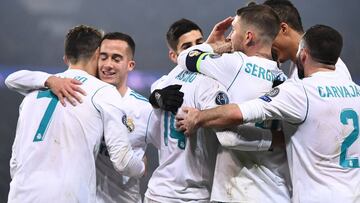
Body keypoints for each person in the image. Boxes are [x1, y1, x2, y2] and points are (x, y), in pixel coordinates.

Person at [177, 24, 360, 203]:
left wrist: (200, 117)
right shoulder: (356, 91)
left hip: (315, 196)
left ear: (303, 55)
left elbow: (240, 112)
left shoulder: (299, 91)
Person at [5, 31, 163, 203]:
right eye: (104, 57)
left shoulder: (32, 93)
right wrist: (142, 166)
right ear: (96, 56)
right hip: (70, 195)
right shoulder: (100, 92)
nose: (108, 64)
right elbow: (123, 161)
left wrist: (49, 79)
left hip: (21, 193)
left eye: (116, 59)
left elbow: (15, 159)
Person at [176, 4, 290, 202]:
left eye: (234, 30)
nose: (230, 36)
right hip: (276, 192)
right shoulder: (286, 81)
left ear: (248, 37)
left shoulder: (235, 64)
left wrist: (219, 45)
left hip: (237, 192)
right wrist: (279, 139)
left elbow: (186, 56)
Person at [144, 18, 228, 203]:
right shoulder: (209, 84)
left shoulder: (163, 84)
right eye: (187, 46)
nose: (194, 50)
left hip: (158, 192)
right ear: (174, 56)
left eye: (198, 44)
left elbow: (155, 92)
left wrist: (156, 97)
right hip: (192, 194)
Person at [263, 0, 352, 80]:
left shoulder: (323, 60)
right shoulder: (298, 62)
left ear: (283, 29)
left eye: (268, 35)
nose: (265, 44)